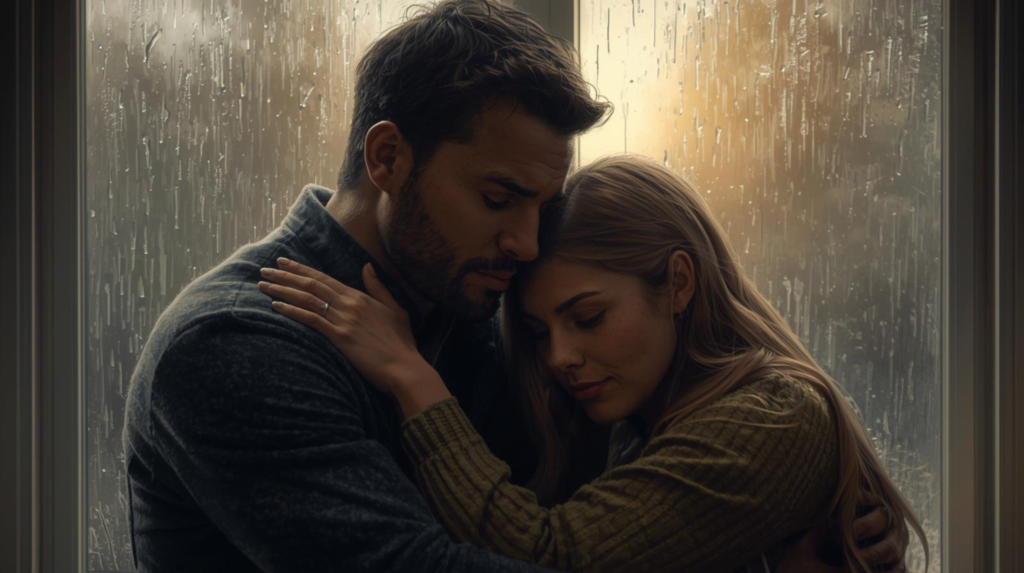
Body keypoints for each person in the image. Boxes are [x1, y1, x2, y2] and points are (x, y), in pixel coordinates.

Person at [123, 0, 907, 571]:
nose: (526, 242)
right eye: (499, 199)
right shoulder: (239, 345)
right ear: (388, 158)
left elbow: (595, 514)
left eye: (541, 205)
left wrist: (788, 512)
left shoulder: (474, 311)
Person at [259, 155, 925, 573]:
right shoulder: (634, 420)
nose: (559, 357)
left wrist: (411, 377)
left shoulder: (774, 418)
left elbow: (555, 557)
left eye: (588, 316)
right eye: (537, 330)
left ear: (680, 284)